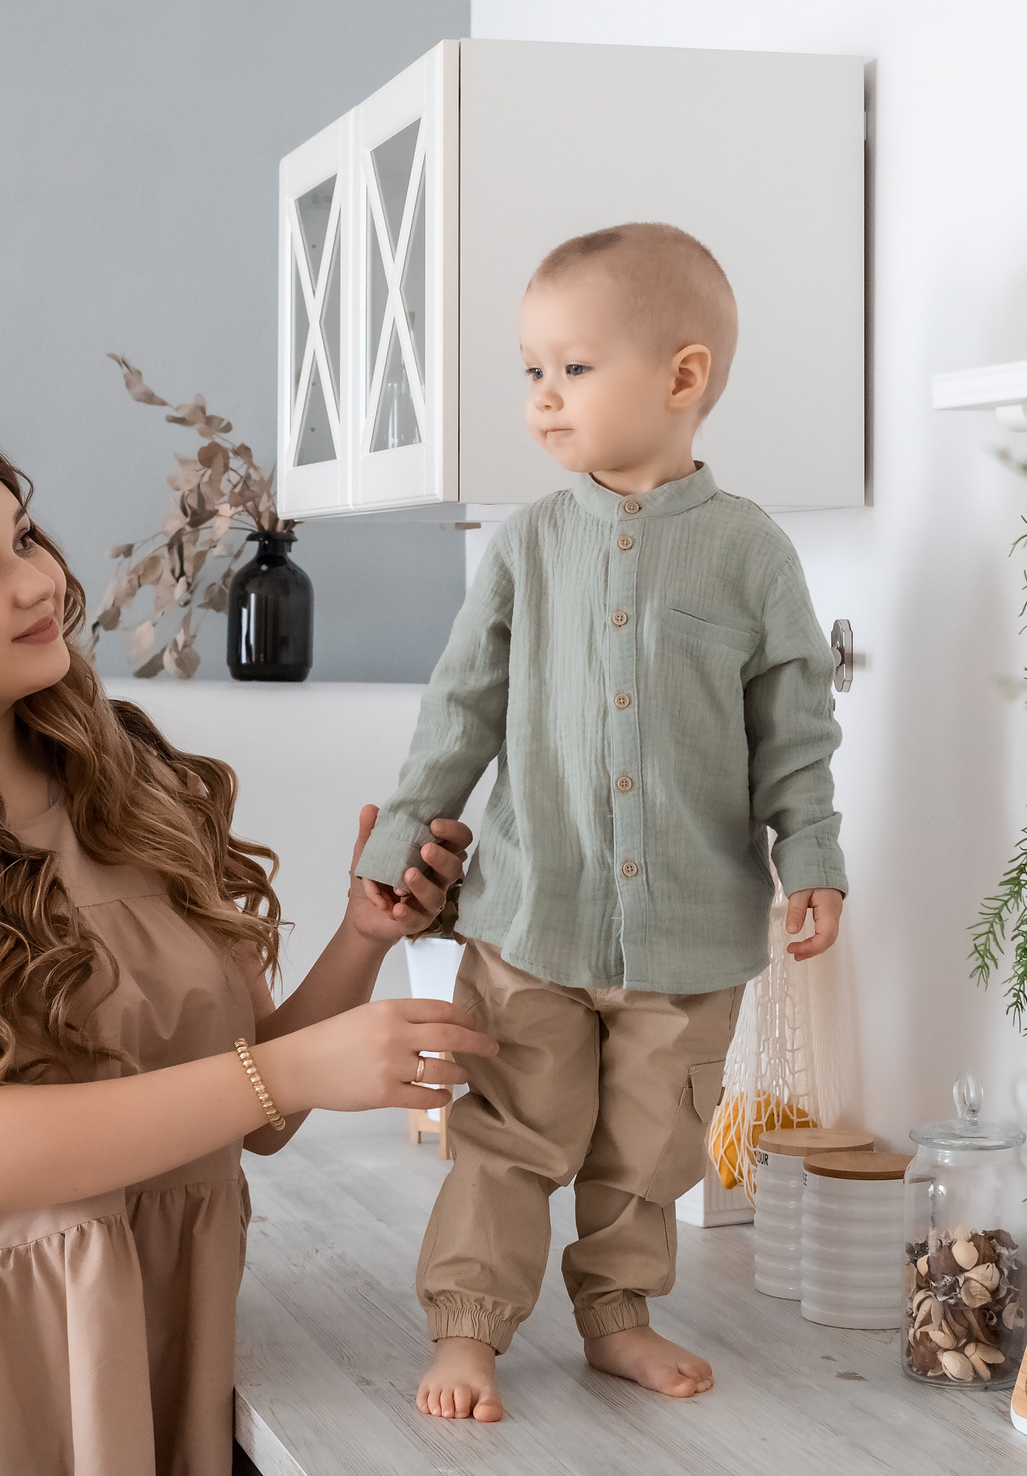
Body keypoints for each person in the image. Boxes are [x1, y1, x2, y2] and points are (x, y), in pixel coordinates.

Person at [0, 415, 498, 1475]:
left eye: (24, 537)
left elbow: (252, 1106)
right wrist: (295, 1068)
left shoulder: (134, 795)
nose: (37, 582)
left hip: (136, 1344)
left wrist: (363, 936)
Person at [352, 223, 850, 1423]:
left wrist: (813, 858)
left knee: (650, 1148)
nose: (543, 396)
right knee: (510, 1134)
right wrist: (398, 840)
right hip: (534, 916)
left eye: (572, 368)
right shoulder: (526, 545)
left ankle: (618, 1317)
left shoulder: (751, 553)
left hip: (690, 933)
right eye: (532, 369)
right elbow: (460, 708)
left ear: (683, 377)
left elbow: (794, 728)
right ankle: (467, 1325)